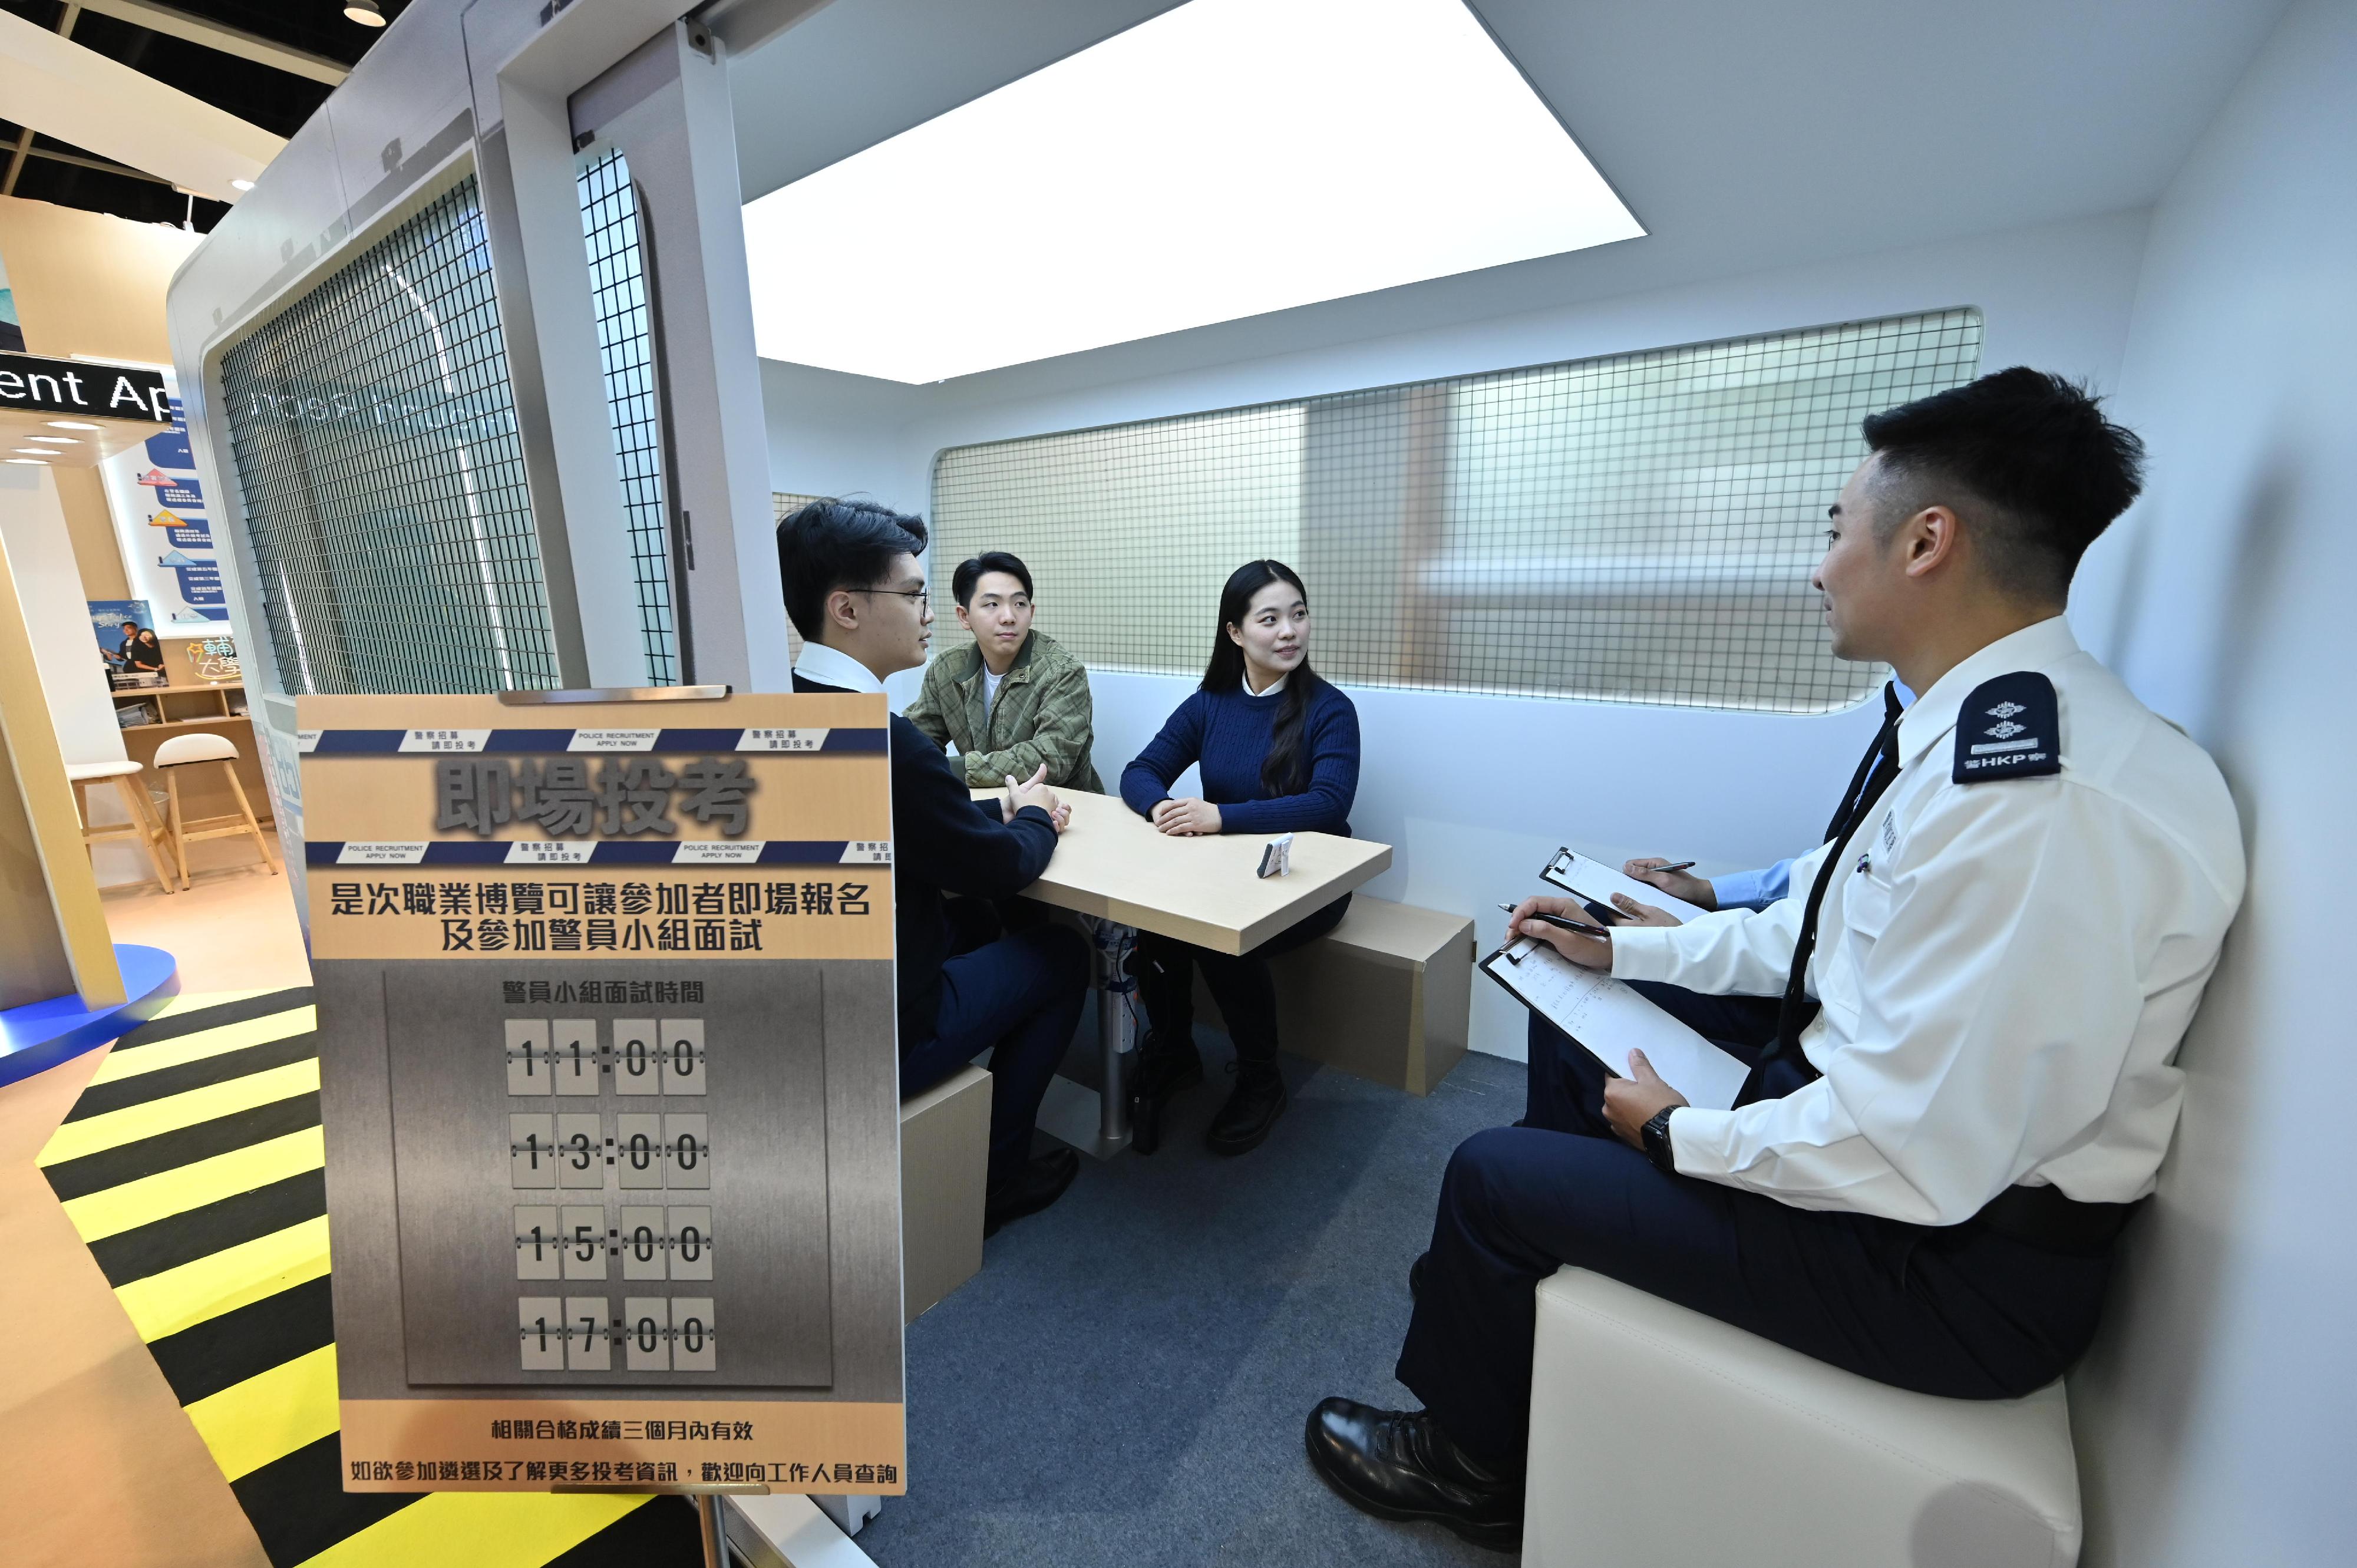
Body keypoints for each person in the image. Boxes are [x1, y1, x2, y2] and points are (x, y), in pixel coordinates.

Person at [1305, 369, 2245, 1550]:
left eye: (1833, 529)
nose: (1817, 565)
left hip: (1941, 1266)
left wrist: (1668, 1132)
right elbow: (1813, 934)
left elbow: (1906, 1147)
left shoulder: (2038, 801)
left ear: (1925, 542)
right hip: (1885, 1152)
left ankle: (1467, 1462)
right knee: (1574, 990)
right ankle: (1522, 1293)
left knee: (1488, 1174)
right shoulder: (1973, 724)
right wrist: (1624, 941)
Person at [776, 499, 1090, 1236]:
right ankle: (998, 1178)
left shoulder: (788, 708)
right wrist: (1037, 815)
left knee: (975, 921)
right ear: (846, 609)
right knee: (1062, 954)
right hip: (882, 1030)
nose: (927, 612)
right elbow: (1001, 866)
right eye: (914, 594)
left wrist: (986, 812)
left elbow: (913, 819)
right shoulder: (892, 739)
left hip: (817, 1011)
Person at [1118, 560, 1361, 1157]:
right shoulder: (1210, 704)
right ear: (1234, 632)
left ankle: (1261, 1080)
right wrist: (1163, 810)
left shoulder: (1330, 709)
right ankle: (1174, 1052)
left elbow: (1329, 805)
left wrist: (1222, 817)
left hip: (1311, 880)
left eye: (1298, 615)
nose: (1289, 632)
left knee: (1221, 937)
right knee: (1154, 923)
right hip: (1222, 871)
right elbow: (1139, 772)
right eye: (1270, 619)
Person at [906, 552, 1104, 793]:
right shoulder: (948, 668)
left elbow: (1050, 760)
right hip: (984, 807)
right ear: (964, 616)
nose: (1009, 617)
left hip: (1062, 809)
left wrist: (954, 769)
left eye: (1019, 604)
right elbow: (917, 737)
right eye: (992, 604)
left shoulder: (1062, 672)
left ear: (1031, 612)